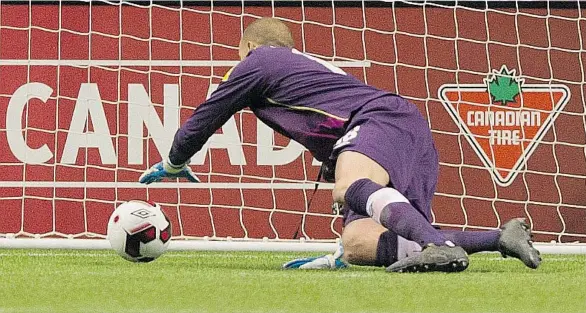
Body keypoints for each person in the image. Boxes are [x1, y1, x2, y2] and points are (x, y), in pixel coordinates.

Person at [139, 17, 541, 272]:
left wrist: (174, 163)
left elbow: (206, 117)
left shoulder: (258, 62)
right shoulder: (299, 71)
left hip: (380, 118)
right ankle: (501, 237)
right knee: (356, 245)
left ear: (248, 48)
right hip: (404, 130)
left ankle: (437, 246)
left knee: (350, 186)